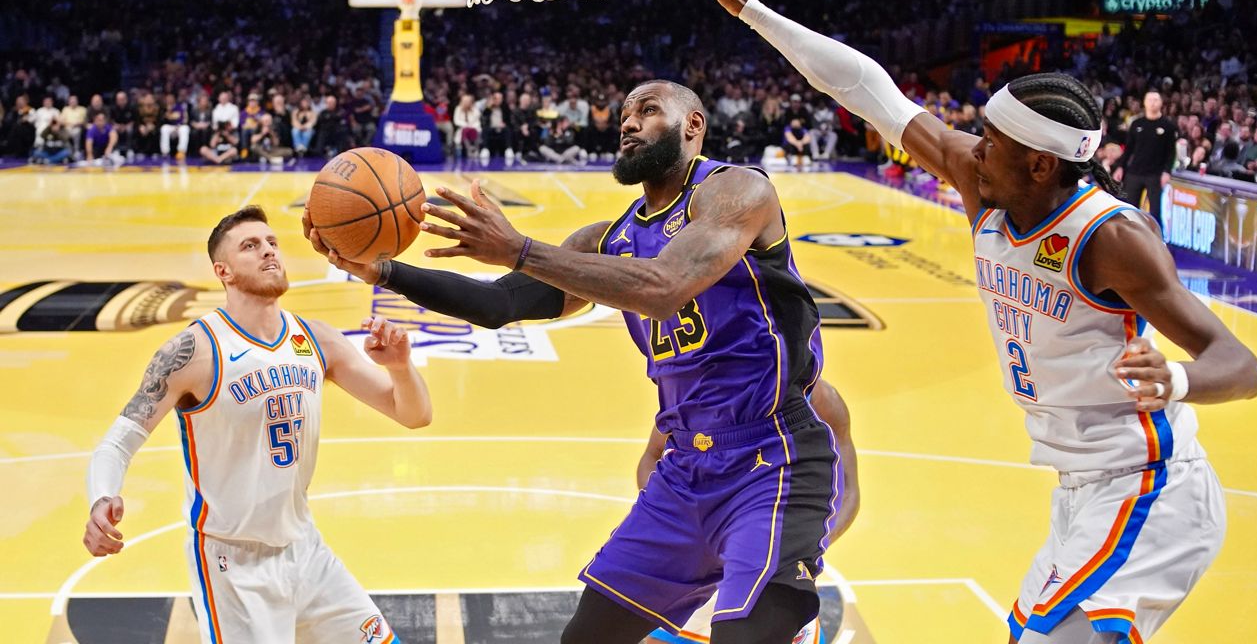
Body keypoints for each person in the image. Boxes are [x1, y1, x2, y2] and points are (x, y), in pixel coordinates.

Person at [672, 0, 1257, 644]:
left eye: (990, 143)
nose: (969, 150)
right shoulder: (986, 182)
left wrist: (1175, 378)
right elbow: (866, 88)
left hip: (1150, 486)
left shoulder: (1111, 238)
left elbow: (1243, 364)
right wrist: (751, 10)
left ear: (1042, 166)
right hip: (1081, 489)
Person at [306, 78, 842, 644]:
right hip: (685, 471)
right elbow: (499, 302)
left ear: (693, 126)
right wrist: (383, 272)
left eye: (649, 110)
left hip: (771, 459)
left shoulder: (737, 191)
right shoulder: (607, 241)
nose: (628, 123)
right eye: (625, 115)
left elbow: (665, 287)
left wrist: (520, 248)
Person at [82, 205, 430, 644]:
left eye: (272, 243)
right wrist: (101, 498)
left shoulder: (315, 339)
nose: (268, 252)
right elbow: (118, 442)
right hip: (234, 567)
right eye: (251, 245)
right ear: (222, 271)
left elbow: (413, 415)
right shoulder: (194, 351)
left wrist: (400, 367)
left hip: (306, 549)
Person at [639, 378, 860, 644]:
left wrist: (809, 543)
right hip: (701, 557)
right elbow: (652, 456)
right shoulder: (700, 390)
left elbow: (849, 491)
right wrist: (676, 519)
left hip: (776, 560)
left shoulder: (822, 400)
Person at [1112, 92, 1176, 230]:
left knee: (1155, 212)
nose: (1153, 102)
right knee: (1130, 209)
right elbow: (1129, 149)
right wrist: (1121, 167)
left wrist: (1167, 171)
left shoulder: (1168, 126)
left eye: (1156, 99)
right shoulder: (1137, 124)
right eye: (1150, 99)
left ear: (1161, 103)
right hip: (1134, 172)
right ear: (1144, 103)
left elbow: (1171, 152)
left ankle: (1159, 242)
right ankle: (1130, 238)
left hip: (1155, 174)